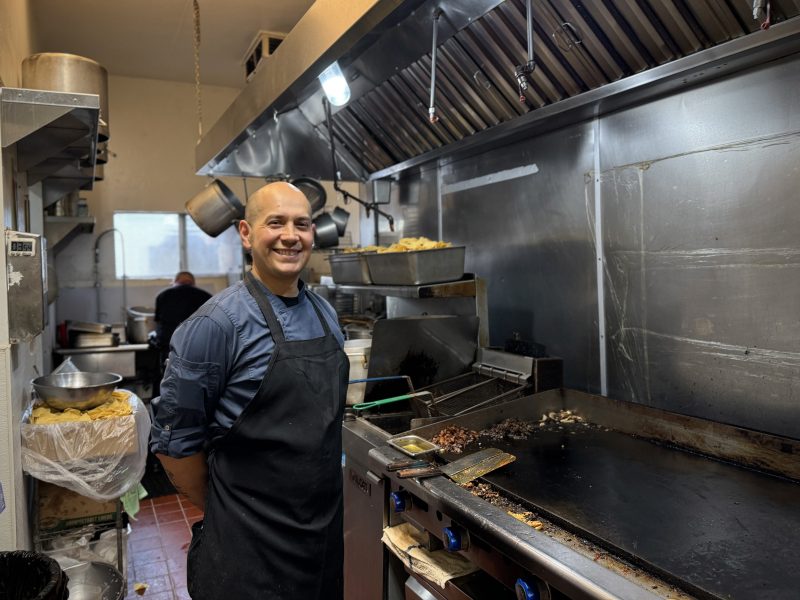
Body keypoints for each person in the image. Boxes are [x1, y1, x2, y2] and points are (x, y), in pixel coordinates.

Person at [149, 181, 348, 600]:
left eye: (302, 224)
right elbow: (174, 444)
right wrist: (231, 512)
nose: (291, 235)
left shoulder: (325, 313)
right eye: (275, 222)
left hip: (321, 542)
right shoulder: (215, 325)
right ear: (245, 233)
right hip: (247, 552)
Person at [153, 271, 212, 368]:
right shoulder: (206, 297)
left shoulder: (162, 296)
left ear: (175, 281)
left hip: (169, 347)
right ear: (193, 283)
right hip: (197, 348)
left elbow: (158, 322)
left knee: (169, 377)